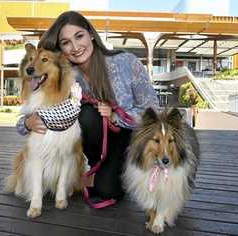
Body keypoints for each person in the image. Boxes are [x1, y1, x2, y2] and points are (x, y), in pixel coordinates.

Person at [16, 11, 159, 206]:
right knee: (86, 114)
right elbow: (44, 109)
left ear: (91, 34)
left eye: (79, 36)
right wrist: (26, 122)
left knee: (107, 190)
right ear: (61, 49)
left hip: (128, 138)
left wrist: (117, 116)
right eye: (66, 42)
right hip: (96, 146)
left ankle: (120, 172)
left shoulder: (126, 62)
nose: (75, 47)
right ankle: (97, 170)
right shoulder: (65, 75)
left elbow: (153, 112)